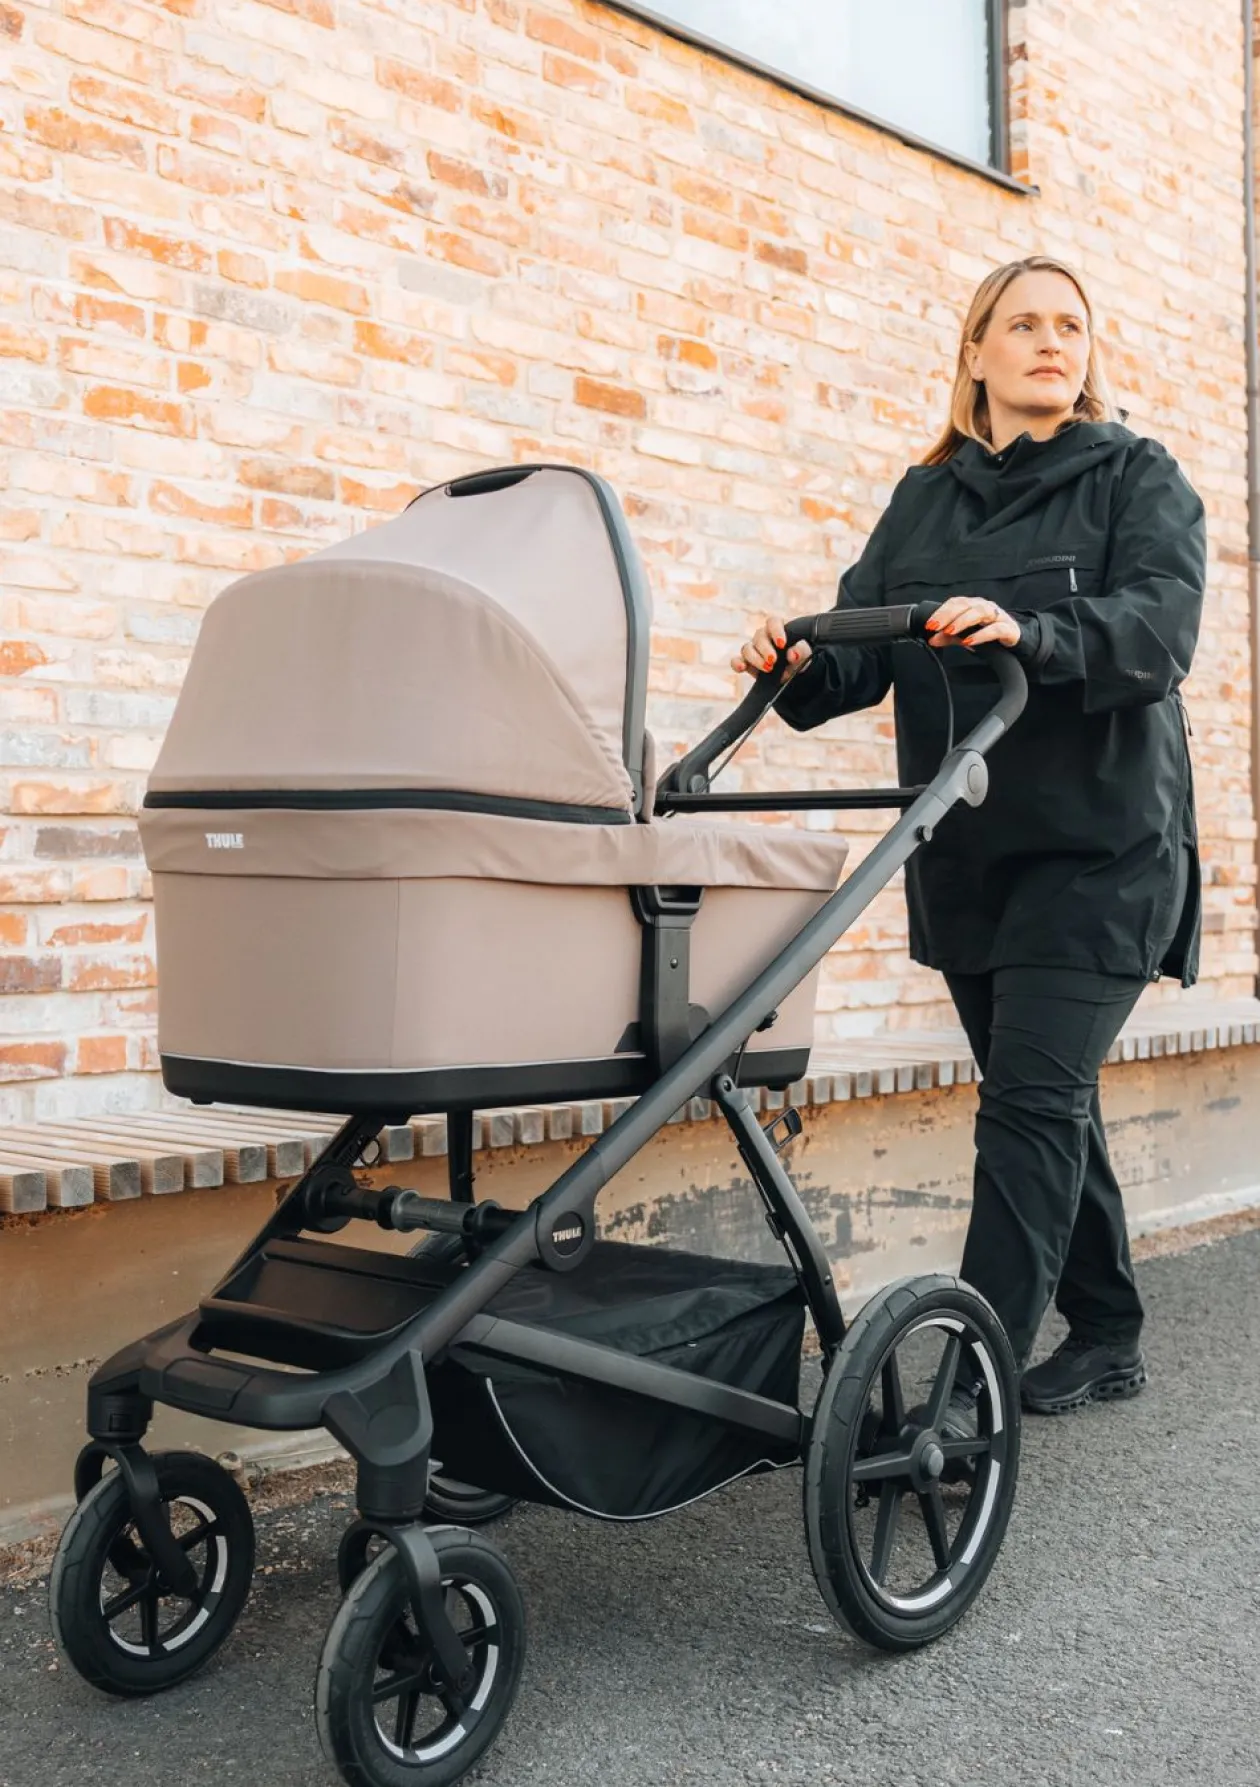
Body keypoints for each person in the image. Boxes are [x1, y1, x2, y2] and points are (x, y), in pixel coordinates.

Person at [733, 255, 1205, 1424]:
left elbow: (1159, 627)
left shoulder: (1135, 476)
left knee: (1030, 1109)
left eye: (1071, 326)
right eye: (1025, 324)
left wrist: (1033, 631)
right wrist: (794, 660)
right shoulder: (925, 498)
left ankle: (962, 1397)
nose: (1052, 342)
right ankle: (1108, 1329)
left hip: (1103, 853)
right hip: (970, 854)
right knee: (1041, 1096)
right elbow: (861, 650)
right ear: (977, 352)